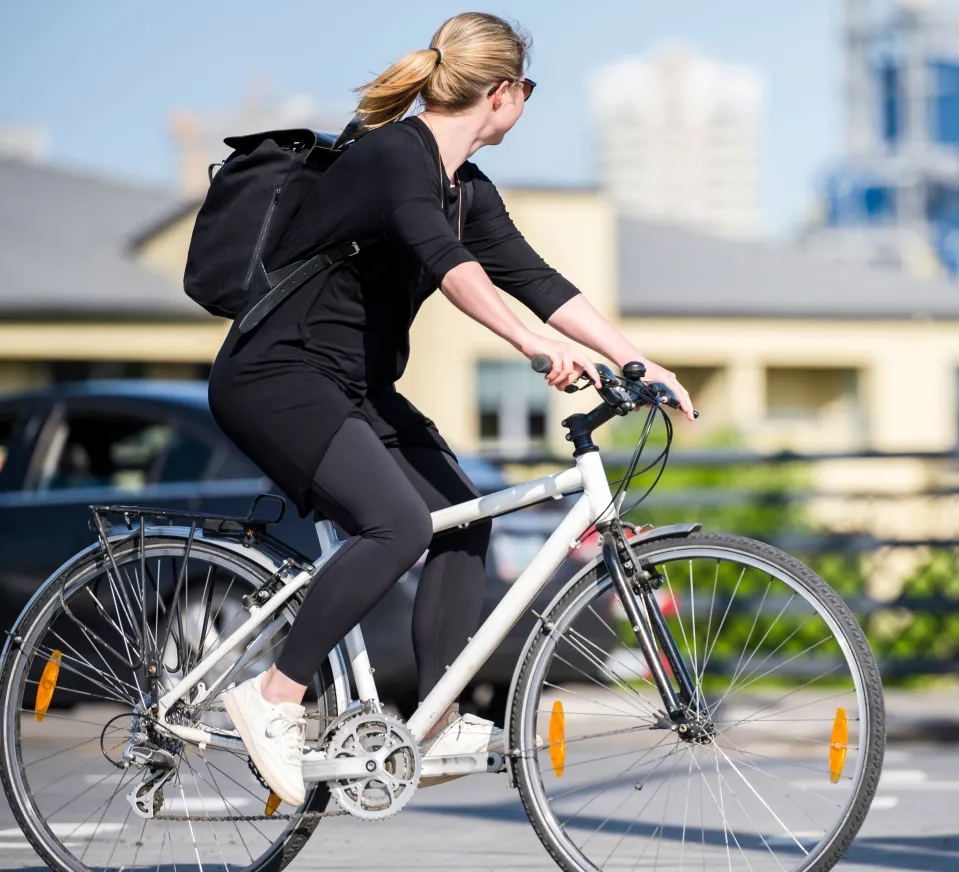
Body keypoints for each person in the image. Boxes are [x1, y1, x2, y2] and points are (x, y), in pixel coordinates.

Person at [211, 12, 693, 807]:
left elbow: (537, 279)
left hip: (352, 387)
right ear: (502, 92)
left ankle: (431, 721)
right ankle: (272, 696)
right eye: (529, 88)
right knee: (397, 524)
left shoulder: (465, 188)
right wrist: (532, 345)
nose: (527, 101)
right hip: (276, 375)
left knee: (463, 515)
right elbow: (449, 265)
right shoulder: (394, 157)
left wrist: (636, 360)